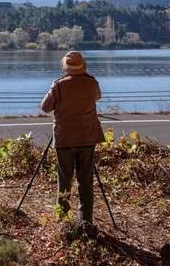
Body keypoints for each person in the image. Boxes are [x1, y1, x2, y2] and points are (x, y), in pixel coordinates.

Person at [41, 51, 105, 223]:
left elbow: (45, 107)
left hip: (65, 139)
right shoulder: (92, 83)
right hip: (88, 137)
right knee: (86, 181)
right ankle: (86, 221)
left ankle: (63, 220)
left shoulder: (58, 85)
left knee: (64, 181)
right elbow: (97, 97)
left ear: (65, 68)